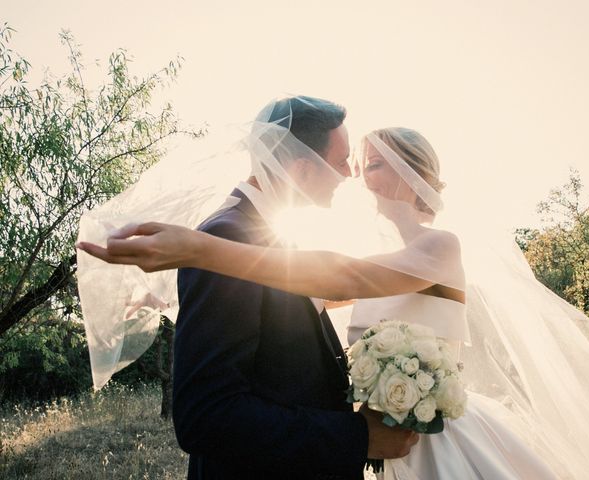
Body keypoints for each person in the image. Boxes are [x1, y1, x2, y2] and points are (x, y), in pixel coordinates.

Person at [79, 125, 589, 479]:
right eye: (355, 161)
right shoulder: (375, 252)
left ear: (407, 174)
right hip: (380, 441)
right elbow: (287, 291)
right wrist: (170, 286)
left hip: (439, 441)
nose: (352, 172)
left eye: (370, 163)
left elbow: (337, 272)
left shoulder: (440, 247)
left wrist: (200, 247)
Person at [78, 96, 421, 480]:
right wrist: (357, 436)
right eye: (341, 161)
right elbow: (206, 415)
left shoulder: (268, 238)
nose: (350, 174)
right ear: (303, 169)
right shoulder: (228, 237)